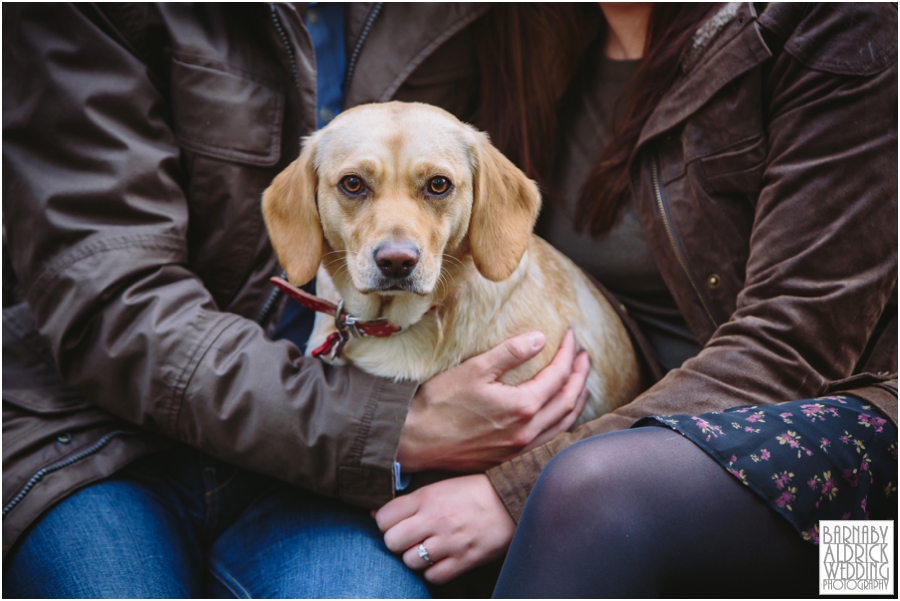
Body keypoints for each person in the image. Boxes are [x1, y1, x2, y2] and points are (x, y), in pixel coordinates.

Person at [2, 4, 591, 597]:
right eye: (353, 187)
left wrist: (507, 489)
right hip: (88, 442)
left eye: (435, 187)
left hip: (324, 475)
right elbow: (111, 303)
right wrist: (389, 432)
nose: (397, 246)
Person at [372, 3, 898, 597]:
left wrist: (511, 492)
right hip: (638, 432)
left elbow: (798, 342)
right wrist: (417, 424)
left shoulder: (839, 19)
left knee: (587, 493)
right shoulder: (524, 34)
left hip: (863, 488)